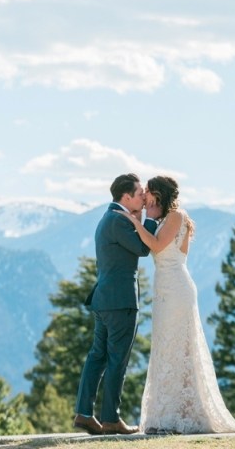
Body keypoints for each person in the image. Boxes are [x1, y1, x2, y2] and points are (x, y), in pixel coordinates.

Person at [118, 175, 235, 435]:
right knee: (168, 349)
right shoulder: (163, 219)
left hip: (177, 290)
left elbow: (156, 245)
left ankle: (181, 414)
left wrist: (134, 222)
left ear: (160, 194)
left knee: (180, 349)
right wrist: (145, 218)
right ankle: (171, 412)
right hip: (165, 291)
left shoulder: (176, 217)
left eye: (149, 193)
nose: (146, 197)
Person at [74, 173, 160, 436]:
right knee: (116, 360)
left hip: (104, 299)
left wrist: (137, 219)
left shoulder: (109, 217)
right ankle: (111, 419)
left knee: (97, 356)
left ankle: (85, 414)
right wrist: (152, 221)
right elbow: (143, 249)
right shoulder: (118, 220)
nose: (143, 199)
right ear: (126, 197)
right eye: (139, 194)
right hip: (120, 302)